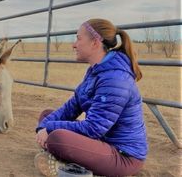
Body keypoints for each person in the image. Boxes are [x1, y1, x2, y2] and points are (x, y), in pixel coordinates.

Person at [34, 18, 147, 176]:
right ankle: (64, 156)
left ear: (95, 43)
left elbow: (93, 128)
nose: (74, 44)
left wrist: (50, 129)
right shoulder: (96, 72)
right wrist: (43, 128)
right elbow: (71, 108)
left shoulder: (115, 79)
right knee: (47, 115)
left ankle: (64, 161)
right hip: (101, 141)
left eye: (79, 38)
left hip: (123, 156)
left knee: (57, 137)